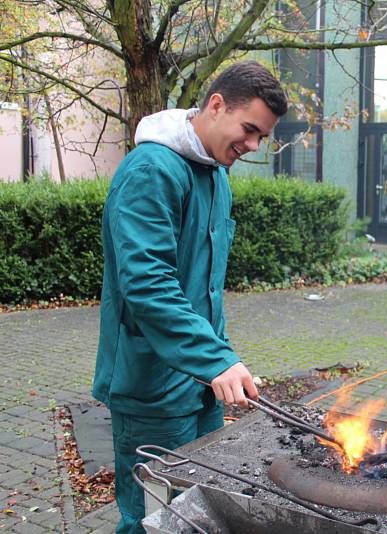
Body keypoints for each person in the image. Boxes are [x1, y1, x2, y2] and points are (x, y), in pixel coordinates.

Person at [92, 60, 288, 533]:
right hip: (152, 391)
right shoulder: (152, 171)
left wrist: (220, 361)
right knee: (152, 519)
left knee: (199, 514)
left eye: (262, 136)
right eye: (249, 129)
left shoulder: (215, 175)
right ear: (216, 105)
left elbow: (204, 288)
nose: (254, 145)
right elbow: (148, 284)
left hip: (197, 389)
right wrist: (214, 360)